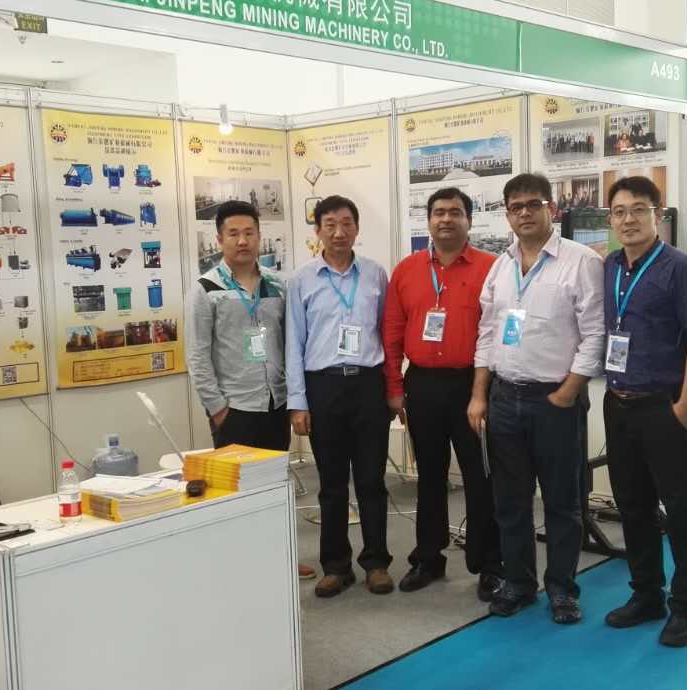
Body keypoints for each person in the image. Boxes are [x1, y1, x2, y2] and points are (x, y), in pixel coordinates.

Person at [467, 173, 605, 625]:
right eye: (516, 207)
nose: (524, 213)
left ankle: (562, 589)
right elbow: (488, 333)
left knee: (563, 503)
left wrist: (569, 391)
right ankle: (520, 584)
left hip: (555, 402)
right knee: (510, 502)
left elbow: (595, 334)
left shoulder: (581, 262)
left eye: (533, 204)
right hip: (505, 398)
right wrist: (479, 394)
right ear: (507, 214)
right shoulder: (501, 266)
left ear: (552, 209)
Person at [600, 176, 687, 648]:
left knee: (682, 509)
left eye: (638, 210)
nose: (628, 219)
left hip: (665, 406)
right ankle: (646, 594)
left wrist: (684, 407)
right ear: (610, 219)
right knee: (633, 507)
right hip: (619, 404)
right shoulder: (609, 266)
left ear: (657, 214)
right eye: (619, 211)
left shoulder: (682, 269)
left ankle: (686, 606)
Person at [186, 200, 315, 580]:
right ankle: (239, 567)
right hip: (235, 407)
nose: (242, 241)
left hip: (275, 403)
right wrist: (217, 407)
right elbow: (197, 355)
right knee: (236, 491)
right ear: (219, 239)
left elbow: (292, 344)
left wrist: (295, 397)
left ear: (259, 236)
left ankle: (279, 558)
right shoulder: (206, 289)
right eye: (233, 234)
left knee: (275, 486)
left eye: (249, 233)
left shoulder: (278, 285)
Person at [383, 187, 502, 600]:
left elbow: (496, 333)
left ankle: (489, 564)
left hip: (473, 385)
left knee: (480, 477)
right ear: (429, 220)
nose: (446, 219)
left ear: (470, 220)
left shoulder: (491, 268)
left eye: (455, 212)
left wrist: (483, 391)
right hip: (422, 385)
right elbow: (392, 332)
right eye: (438, 212)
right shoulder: (407, 270)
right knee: (430, 477)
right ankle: (428, 558)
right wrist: (395, 388)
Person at [286, 195, 394, 597]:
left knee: (371, 480)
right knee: (331, 483)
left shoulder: (375, 275)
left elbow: (386, 333)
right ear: (317, 231)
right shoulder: (301, 280)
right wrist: (298, 401)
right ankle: (335, 566)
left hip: (367, 385)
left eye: (346, 223)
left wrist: (391, 388)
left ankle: (376, 563)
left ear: (357, 229)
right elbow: (294, 343)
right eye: (329, 224)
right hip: (324, 386)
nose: (338, 232)